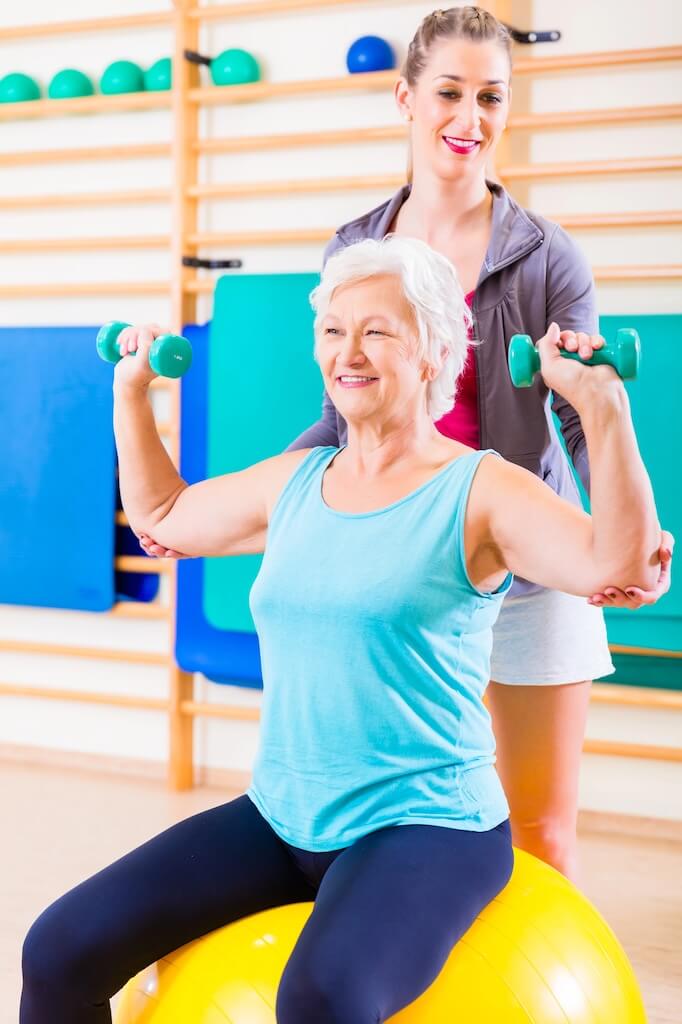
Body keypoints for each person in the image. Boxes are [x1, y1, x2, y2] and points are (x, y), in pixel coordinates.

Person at [22, 235, 661, 1024]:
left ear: (434, 354)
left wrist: (603, 405)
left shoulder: (482, 490)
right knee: (56, 953)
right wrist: (131, 392)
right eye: (333, 330)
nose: (347, 351)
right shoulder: (298, 481)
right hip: (283, 813)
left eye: (377, 331)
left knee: (323, 1000)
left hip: (429, 826)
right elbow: (163, 516)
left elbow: (616, 565)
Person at [140, 5, 674, 880]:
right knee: (385, 829)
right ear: (406, 99)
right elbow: (338, 414)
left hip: (519, 551)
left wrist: (618, 539)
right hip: (393, 555)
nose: (471, 119)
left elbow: (579, 415)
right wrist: (206, 510)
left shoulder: (548, 257)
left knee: (539, 833)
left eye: (492, 97)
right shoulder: (355, 247)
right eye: (450, 93)